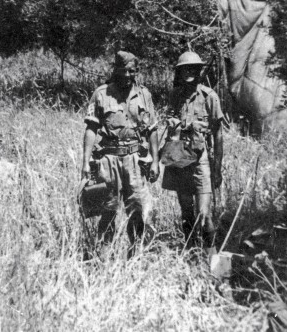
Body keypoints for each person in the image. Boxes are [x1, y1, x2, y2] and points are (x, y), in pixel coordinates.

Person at [81, 51, 159, 257]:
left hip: (135, 160)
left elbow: (152, 130)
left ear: (136, 72)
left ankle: (135, 256)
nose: (127, 75)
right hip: (108, 160)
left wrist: (155, 162)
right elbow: (90, 129)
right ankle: (104, 257)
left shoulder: (144, 94)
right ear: (115, 70)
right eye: (123, 71)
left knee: (137, 211)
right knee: (107, 210)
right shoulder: (101, 94)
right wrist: (85, 162)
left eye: (131, 71)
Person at [161, 51, 224, 255]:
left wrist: (217, 168)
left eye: (193, 68)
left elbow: (218, 135)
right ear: (179, 72)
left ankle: (212, 260)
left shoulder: (209, 96)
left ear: (199, 71)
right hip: (179, 158)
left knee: (204, 214)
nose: (189, 72)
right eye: (184, 69)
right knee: (186, 212)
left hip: (201, 160)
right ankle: (190, 255)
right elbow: (170, 125)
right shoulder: (176, 96)